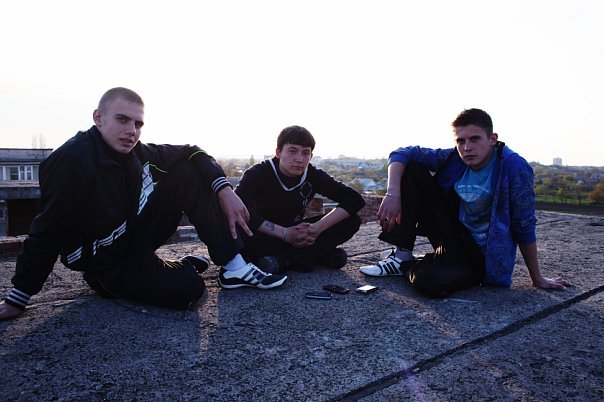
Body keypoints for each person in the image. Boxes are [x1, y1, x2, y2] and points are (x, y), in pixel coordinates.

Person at [0, 87, 286, 320]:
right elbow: (47, 230)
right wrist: (19, 296)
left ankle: (234, 267)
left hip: (133, 238)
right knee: (189, 290)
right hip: (105, 264)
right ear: (98, 118)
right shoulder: (72, 161)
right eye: (122, 120)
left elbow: (192, 151)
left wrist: (224, 189)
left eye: (138, 124)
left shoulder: (137, 152)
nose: (132, 131)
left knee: (187, 172)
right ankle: (173, 269)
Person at [360, 108, 569, 296]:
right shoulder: (455, 158)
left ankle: (415, 264)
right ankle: (402, 256)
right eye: (461, 141)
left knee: (430, 282)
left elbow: (524, 223)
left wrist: (537, 278)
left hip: (481, 256)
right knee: (411, 167)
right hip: (452, 234)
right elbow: (402, 153)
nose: (467, 147)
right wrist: (392, 194)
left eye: (474, 139)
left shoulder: (514, 167)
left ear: (492, 139)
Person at [235, 125, 365, 273]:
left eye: (305, 153)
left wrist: (316, 229)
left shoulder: (313, 175)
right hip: (265, 232)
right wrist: (284, 233)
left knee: (351, 220)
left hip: (297, 232)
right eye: (292, 151)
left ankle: (285, 260)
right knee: (236, 233)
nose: (299, 159)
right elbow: (238, 208)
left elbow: (354, 199)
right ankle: (314, 256)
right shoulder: (258, 173)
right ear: (278, 152)